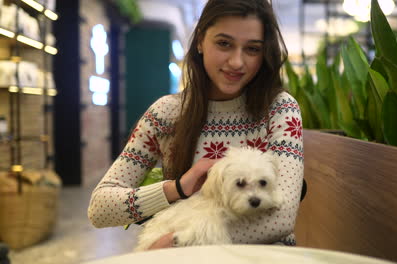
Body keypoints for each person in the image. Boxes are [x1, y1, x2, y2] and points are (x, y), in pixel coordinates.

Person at [88, 0, 304, 249]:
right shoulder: (165, 114)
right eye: (224, 43)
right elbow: (100, 208)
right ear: (200, 40)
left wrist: (177, 243)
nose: (237, 62)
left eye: (252, 49)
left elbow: (282, 219)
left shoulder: (279, 109)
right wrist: (177, 188)